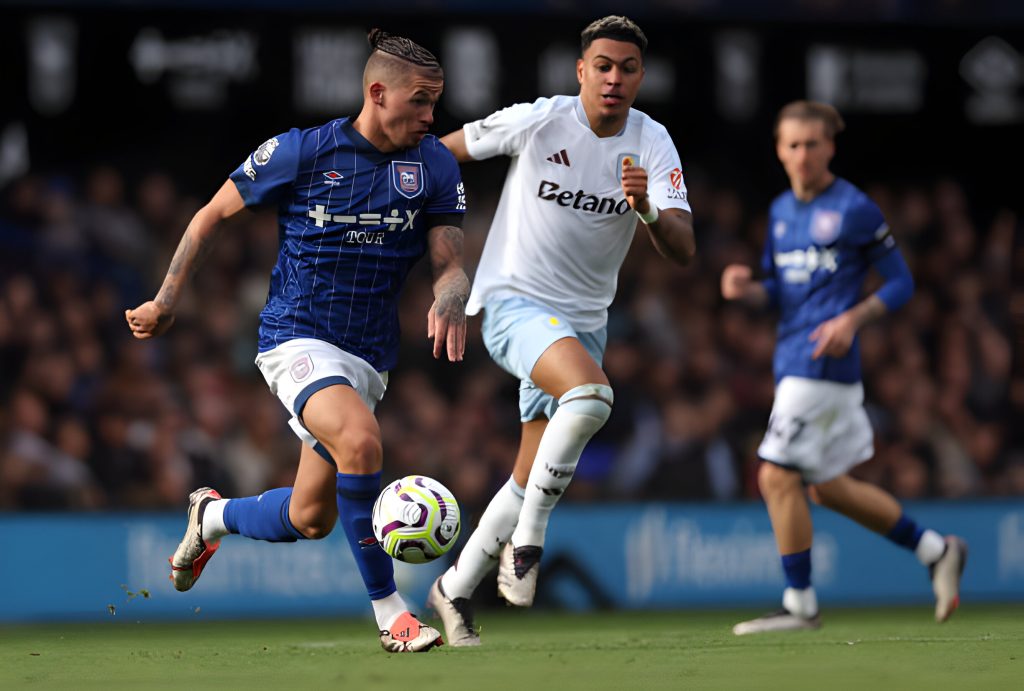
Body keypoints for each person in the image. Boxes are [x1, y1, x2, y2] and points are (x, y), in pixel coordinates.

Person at [125, 29, 469, 653]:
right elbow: (211, 215)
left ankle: (212, 516)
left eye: (434, 102)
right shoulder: (303, 152)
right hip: (297, 336)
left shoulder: (435, 166)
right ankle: (392, 614)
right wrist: (166, 300)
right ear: (377, 92)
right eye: (419, 101)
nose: (430, 116)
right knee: (361, 441)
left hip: (368, 357)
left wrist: (451, 292)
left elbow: (448, 258)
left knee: (310, 518)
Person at [426, 15, 696, 646]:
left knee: (528, 474)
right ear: (581, 71)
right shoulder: (541, 120)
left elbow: (683, 247)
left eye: (627, 68)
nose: (614, 78)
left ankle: (454, 588)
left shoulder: (652, 143)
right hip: (513, 304)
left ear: (640, 77)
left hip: (582, 325)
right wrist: (444, 252)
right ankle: (529, 543)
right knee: (593, 395)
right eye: (602, 66)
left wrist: (646, 209)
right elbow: (440, 154)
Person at [720, 100, 967, 634]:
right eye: (793, 145)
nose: (803, 154)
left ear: (830, 147)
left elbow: (901, 282)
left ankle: (800, 604)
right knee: (827, 487)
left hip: (823, 367)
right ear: (779, 150)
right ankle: (936, 550)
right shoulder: (781, 211)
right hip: (792, 362)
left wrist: (853, 319)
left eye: (812, 144)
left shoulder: (855, 208)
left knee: (775, 475)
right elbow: (779, 290)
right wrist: (747, 288)